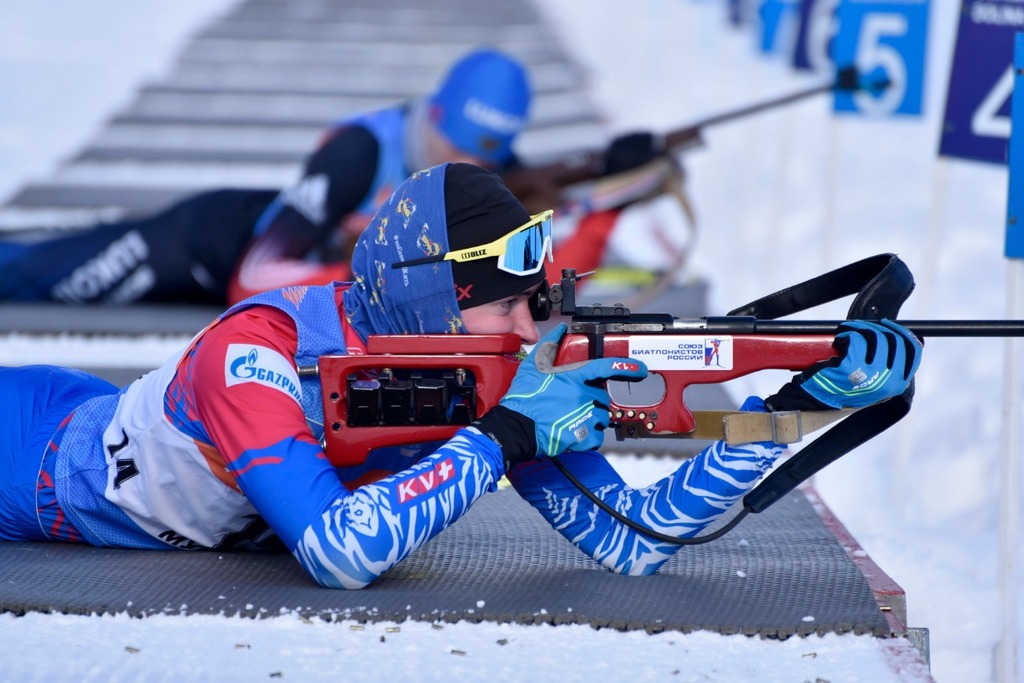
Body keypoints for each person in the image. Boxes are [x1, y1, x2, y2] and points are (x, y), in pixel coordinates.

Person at [0, 163, 922, 588]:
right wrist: (503, 436)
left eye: (544, 301)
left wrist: (794, 407)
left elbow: (636, 535)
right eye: (513, 305)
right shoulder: (257, 353)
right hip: (28, 458)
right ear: (433, 300)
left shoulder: (483, 379)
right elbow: (338, 551)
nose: (536, 328)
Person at [0, 48, 656, 307]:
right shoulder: (356, 152)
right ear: (431, 114)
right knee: (37, 272)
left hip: (271, 255)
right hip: (199, 244)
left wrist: (610, 179)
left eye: (486, 161)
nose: (468, 172)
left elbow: (544, 236)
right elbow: (251, 278)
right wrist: (385, 264)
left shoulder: (481, 172)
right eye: (454, 148)